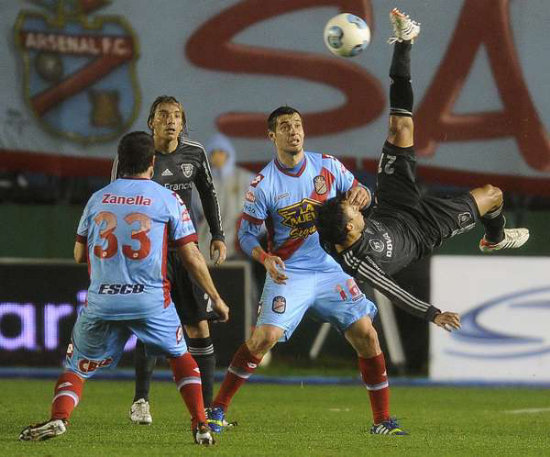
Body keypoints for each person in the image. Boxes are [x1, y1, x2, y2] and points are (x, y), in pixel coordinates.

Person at [205, 10, 437, 439]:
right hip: (290, 272)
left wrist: (364, 197)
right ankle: (216, 411)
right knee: (263, 340)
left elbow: (359, 199)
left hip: (333, 268)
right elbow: (247, 233)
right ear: (270, 136)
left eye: (297, 125)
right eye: (284, 127)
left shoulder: (328, 167)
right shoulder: (263, 184)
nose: (294, 132)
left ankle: (382, 421)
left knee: (367, 336)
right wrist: (265, 257)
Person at [315, 11, 530, 323]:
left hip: (392, 205)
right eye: (353, 213)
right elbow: (392, 290)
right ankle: (495, 237)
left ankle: (404, 41)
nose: (357, 210)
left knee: (399, 128)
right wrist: (434, 314)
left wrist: (356, 195)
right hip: (424, 230)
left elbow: (330, 209)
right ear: (350, 228)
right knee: (493, 195)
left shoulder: (332, 228)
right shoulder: (358, 262)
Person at [19, 131, 229, 445]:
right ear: (153, 163)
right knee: (181, 356)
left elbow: (78, 255)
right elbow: (191, 256)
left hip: (102, 300)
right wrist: (215, 297)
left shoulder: (98, 198)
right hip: (150, 299)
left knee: (76, 367)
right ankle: (200, 424)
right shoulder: (166, 198)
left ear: (120, 160)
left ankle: (59, 418)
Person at [111, 96, 226, 424]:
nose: (171, 121)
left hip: (185, 252)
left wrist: (217, 235)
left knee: (197, 326)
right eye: (164, 115)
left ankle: (206, 410)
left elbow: (208, 192)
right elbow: (115, 197)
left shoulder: (195, 152)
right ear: (152, 122)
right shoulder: (136, 156)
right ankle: (141, 401)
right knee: (151, 327)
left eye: (177, 115)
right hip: (149, 255)